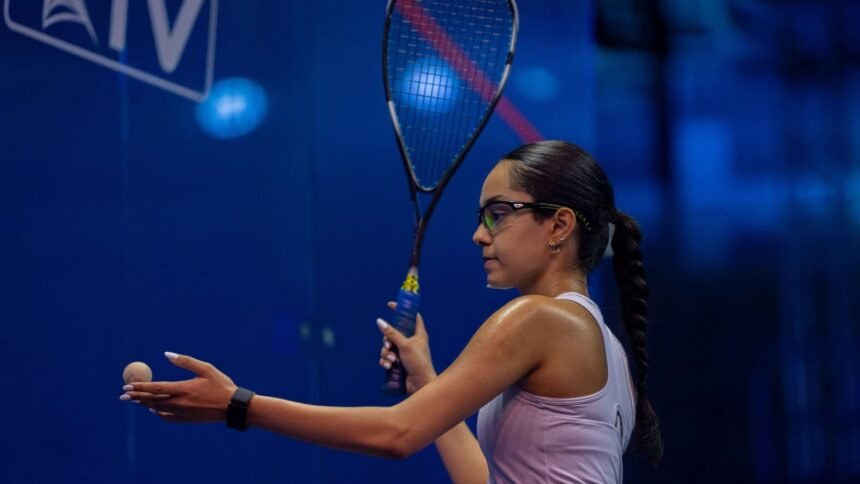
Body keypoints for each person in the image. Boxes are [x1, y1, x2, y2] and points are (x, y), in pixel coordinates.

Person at [121, 140, 663, 483]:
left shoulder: (538, 320)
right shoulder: (606, 348)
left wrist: (237, 405)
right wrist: (426, 379)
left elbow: (396, 435)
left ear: (560, 225)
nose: (479, 235)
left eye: (499, 214)